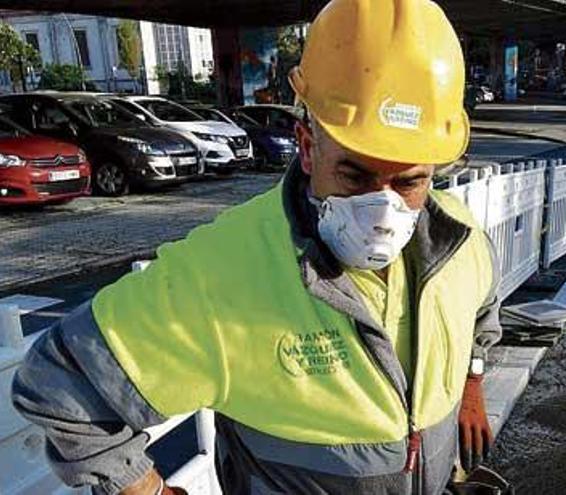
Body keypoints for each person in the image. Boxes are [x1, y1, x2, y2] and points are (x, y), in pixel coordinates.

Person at [11, 1, 501, 494]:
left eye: (410, 182)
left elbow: (480, 311)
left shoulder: (456, 237)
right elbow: (60, 385)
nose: (383, 212)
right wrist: (148, 490)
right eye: (355, 175)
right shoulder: (226, 271)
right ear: (308, 147)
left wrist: (473, 382)